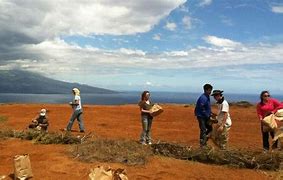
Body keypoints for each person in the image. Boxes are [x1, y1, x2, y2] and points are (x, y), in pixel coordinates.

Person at [195, 84, 213, 148]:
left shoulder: (207, 96)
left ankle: (204, 141)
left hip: (206, 116)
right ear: (205, 90)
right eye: (209, 90)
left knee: (210, 129)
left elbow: (207, 107)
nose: (210, 92)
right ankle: (202, 144)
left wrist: (211, 113)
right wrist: (207, 115)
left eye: (211, 90)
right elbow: (201, 108)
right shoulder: (203, 98)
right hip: (201, 117)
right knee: (203, 130)